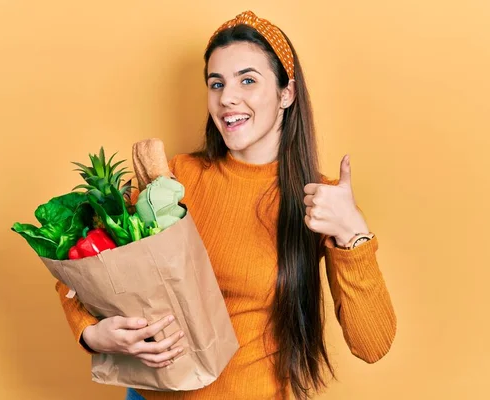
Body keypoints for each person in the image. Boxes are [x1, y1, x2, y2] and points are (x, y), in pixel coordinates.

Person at [55, 10, 397, 400]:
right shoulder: (172, 180)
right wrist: (92, 333)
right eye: (216, 84)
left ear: (287, 93)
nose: (226, 98)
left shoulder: (321, 200)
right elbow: (81, 267)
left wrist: (351, 233)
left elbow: (373, 344)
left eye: (247, 80)